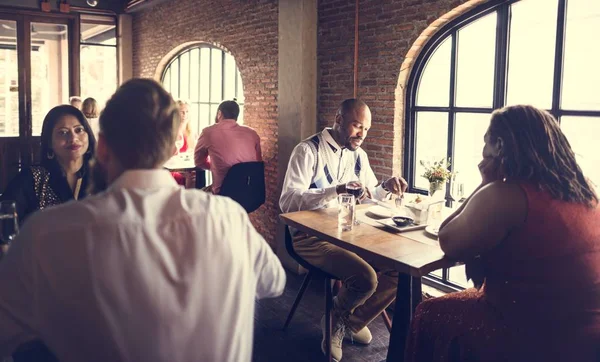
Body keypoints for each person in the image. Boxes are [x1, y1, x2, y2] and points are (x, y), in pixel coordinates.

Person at [0, 79, 286, 362]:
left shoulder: (44, 234)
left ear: (101, 148)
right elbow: (274, 283)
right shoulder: (229, 218)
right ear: (172, 148)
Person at [405, 105, 600, 362]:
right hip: (587, 327)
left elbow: (448, 240)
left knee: (428, 311)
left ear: (499, 144)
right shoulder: (585, 192)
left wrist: (485, 182)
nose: (483, 151)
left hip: (535, 332)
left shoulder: (507, 195)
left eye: (485, 141)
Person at [279, 98, 407, 361]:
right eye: (357, 126)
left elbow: (370, 196)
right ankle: (339, 322)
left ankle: (347, 322)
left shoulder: (359, 156)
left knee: (399, 270)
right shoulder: (308, 151)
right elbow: (287, 201)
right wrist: (334, 191)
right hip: (308, 237)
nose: (362, 134)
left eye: (367, 129)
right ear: (338, 120)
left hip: (349, 234)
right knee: (366, 279)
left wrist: (386, 185)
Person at [0, 105, 96, 225]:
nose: (73, 138)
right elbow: (5, 220)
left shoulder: (102, 176)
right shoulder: (32, 179)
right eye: (63, 132)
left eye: (79, 130)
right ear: (49, 142)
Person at [194, 99, 262, 194]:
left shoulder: (208, 132)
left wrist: (217, 167)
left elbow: (198, 162)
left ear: (219, 113)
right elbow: (258, 163)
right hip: (250, 193)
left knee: (196, 196)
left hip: (223, 192)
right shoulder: (252, 133)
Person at [171, 99, 196, 186]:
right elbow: (171, 155)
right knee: (190, 176)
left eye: (187, 112)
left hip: (186, 166)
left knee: (194, 175)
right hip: (173, 168)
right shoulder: (172, 130)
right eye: (182, 112)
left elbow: (192, 151)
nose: (185, 114)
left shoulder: (190, 131)